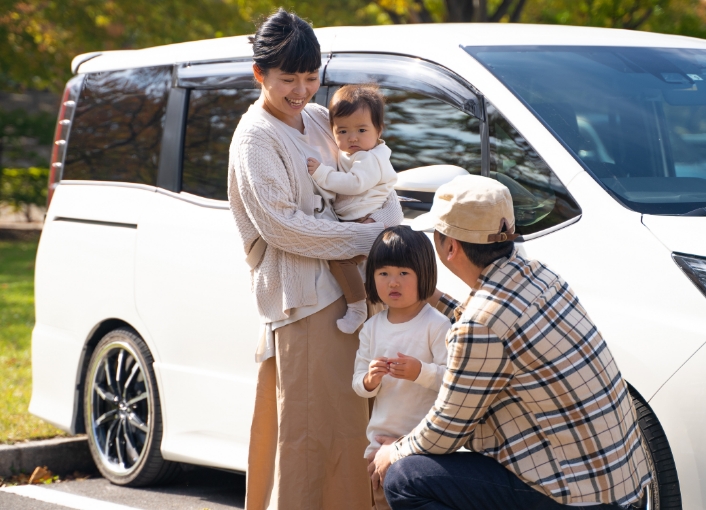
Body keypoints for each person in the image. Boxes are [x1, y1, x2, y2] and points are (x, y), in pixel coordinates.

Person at [367, 175, 651, 509]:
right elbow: (493, 323)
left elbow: (446, 430)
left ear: (450, 247)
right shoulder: (541, 276)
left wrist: (392, 452)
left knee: (405, 478)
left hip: (575, 498)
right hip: (616, 483)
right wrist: (432, 296)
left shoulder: (479, 327)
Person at [227, 9, 402, 510]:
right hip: (304, 304)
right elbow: (283, 228)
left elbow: (377, 180)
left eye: (310, 77)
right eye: (288, 79)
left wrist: (387, 237)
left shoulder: (325, 119)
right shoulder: (255, 138)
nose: (302, 90)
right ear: (260, 74)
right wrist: (362, 240)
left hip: (356, 298)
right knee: (310, 440)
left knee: (356, 431)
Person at [351, 226, 450, 510]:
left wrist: (421, 372)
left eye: (404, 273)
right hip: (379, 445)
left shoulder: (437, 324)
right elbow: (359, 384)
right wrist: (370, 380)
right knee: (383, 503)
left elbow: (452, 381)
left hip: (425, 446)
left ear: (425, 274)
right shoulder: (372, 327)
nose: (393, 282)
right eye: (383, 274)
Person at [306, 84, 399, 334]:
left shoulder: (369, 158)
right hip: (361, 221)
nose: (352, 137)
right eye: (342, 131)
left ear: (379, 130)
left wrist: (321, 174)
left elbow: (355, 184)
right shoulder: (356, 154)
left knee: (341, 259)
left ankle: (357, 308)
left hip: (368, 224)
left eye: (361, 129)